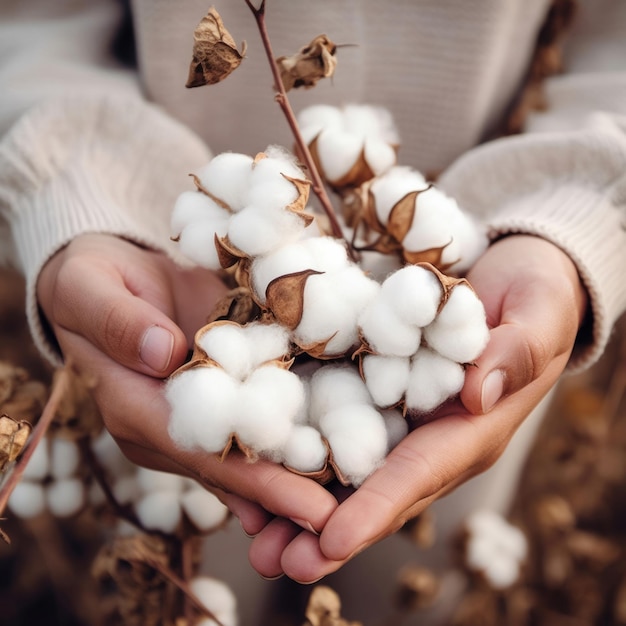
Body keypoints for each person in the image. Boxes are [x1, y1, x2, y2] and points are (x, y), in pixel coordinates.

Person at [0, 0, 624, 622]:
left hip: (481, 299)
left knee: (411, 593)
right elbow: (31, 25)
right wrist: (75, 187)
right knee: (190, 586)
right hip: (159, 280)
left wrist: (568, 219)